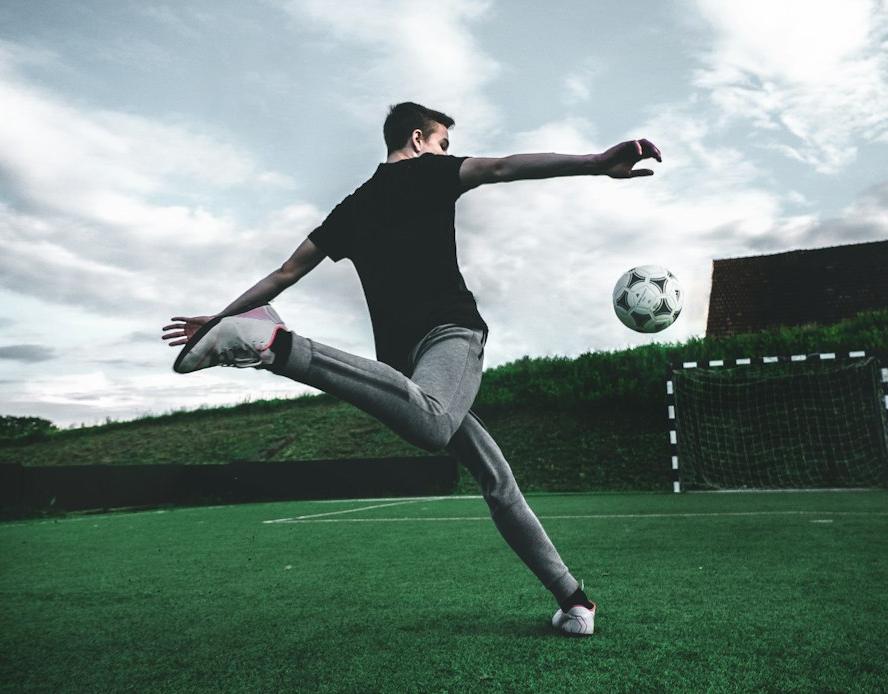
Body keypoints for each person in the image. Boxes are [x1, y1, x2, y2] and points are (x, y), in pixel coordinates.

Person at [162, 101, 662, 636]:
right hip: (451, 334)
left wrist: (220, 317)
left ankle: (573, 598)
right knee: (431, 424)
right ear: (420, 138)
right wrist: (595, 162)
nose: (448, 151)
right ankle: (280, 348)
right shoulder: (431, 171)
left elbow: (284, 273)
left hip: (409, 366)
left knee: (496, 478)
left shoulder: (351, 208)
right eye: (444, 142)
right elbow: (503, 167)